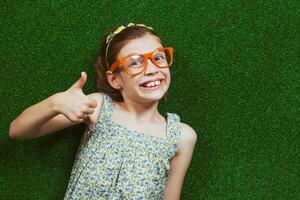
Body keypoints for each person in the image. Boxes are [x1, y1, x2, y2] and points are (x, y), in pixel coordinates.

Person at [9, 23, 198, 199]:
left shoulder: (181, 136)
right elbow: (17, 131)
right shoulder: (97, 108)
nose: (151, 69)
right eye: (135, 63)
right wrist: (54, 103)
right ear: (115, 79)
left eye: (158, 58)